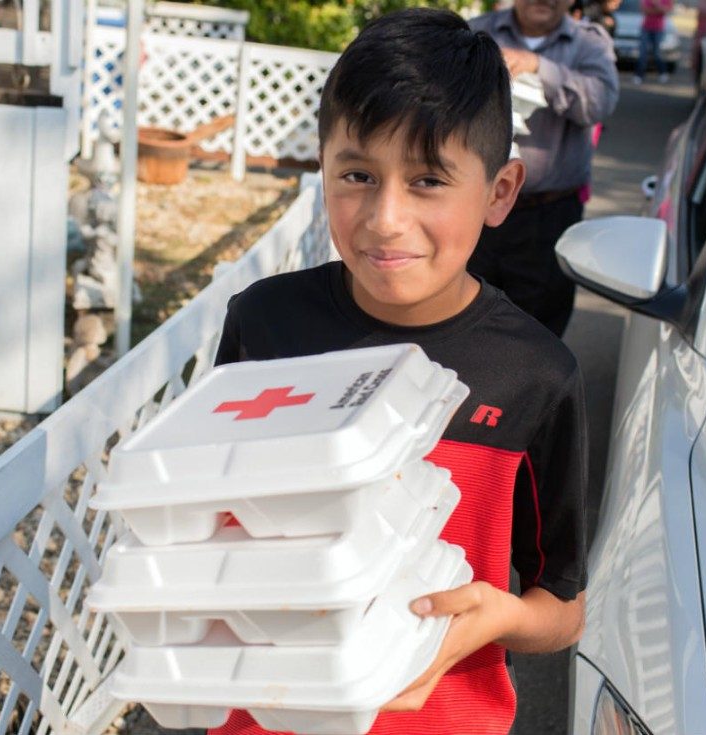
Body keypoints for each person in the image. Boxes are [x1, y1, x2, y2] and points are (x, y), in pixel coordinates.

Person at [209, 8, 589, 735]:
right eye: (357, 174)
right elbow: (212, 527)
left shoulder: (537, 375)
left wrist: (497, 614)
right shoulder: (264, 325)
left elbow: (562, 608)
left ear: (500, 191)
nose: (385, 217)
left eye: (427, 180)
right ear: (320, 166)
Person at [469, 0, 618, 337]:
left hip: (548, 215)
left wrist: (539, 67)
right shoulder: (479, 31)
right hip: (476, 208)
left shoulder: (589, 42)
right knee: (462, 313)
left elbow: (600, 102)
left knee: (537, 328)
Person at [634, 0, 673, 84]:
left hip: (658, 29)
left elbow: (666, 11)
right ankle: (639, 75)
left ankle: (662, 73)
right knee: (642, 53)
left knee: (657, 53)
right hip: (646, 28)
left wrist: (656, 4)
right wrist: (658, 10)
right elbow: (644, 10)